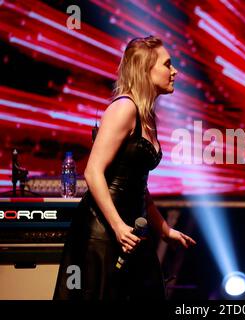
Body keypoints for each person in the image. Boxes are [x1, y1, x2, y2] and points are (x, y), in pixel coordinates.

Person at [53, 36, 196, 300]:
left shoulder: (147, 114)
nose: (174, 71)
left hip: (129, 230)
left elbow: (138, 184)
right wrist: (118, 226)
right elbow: (93, 171)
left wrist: (163, 229)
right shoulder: (124, 108)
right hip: (103, 233)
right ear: (145, 70)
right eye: (168, 64)